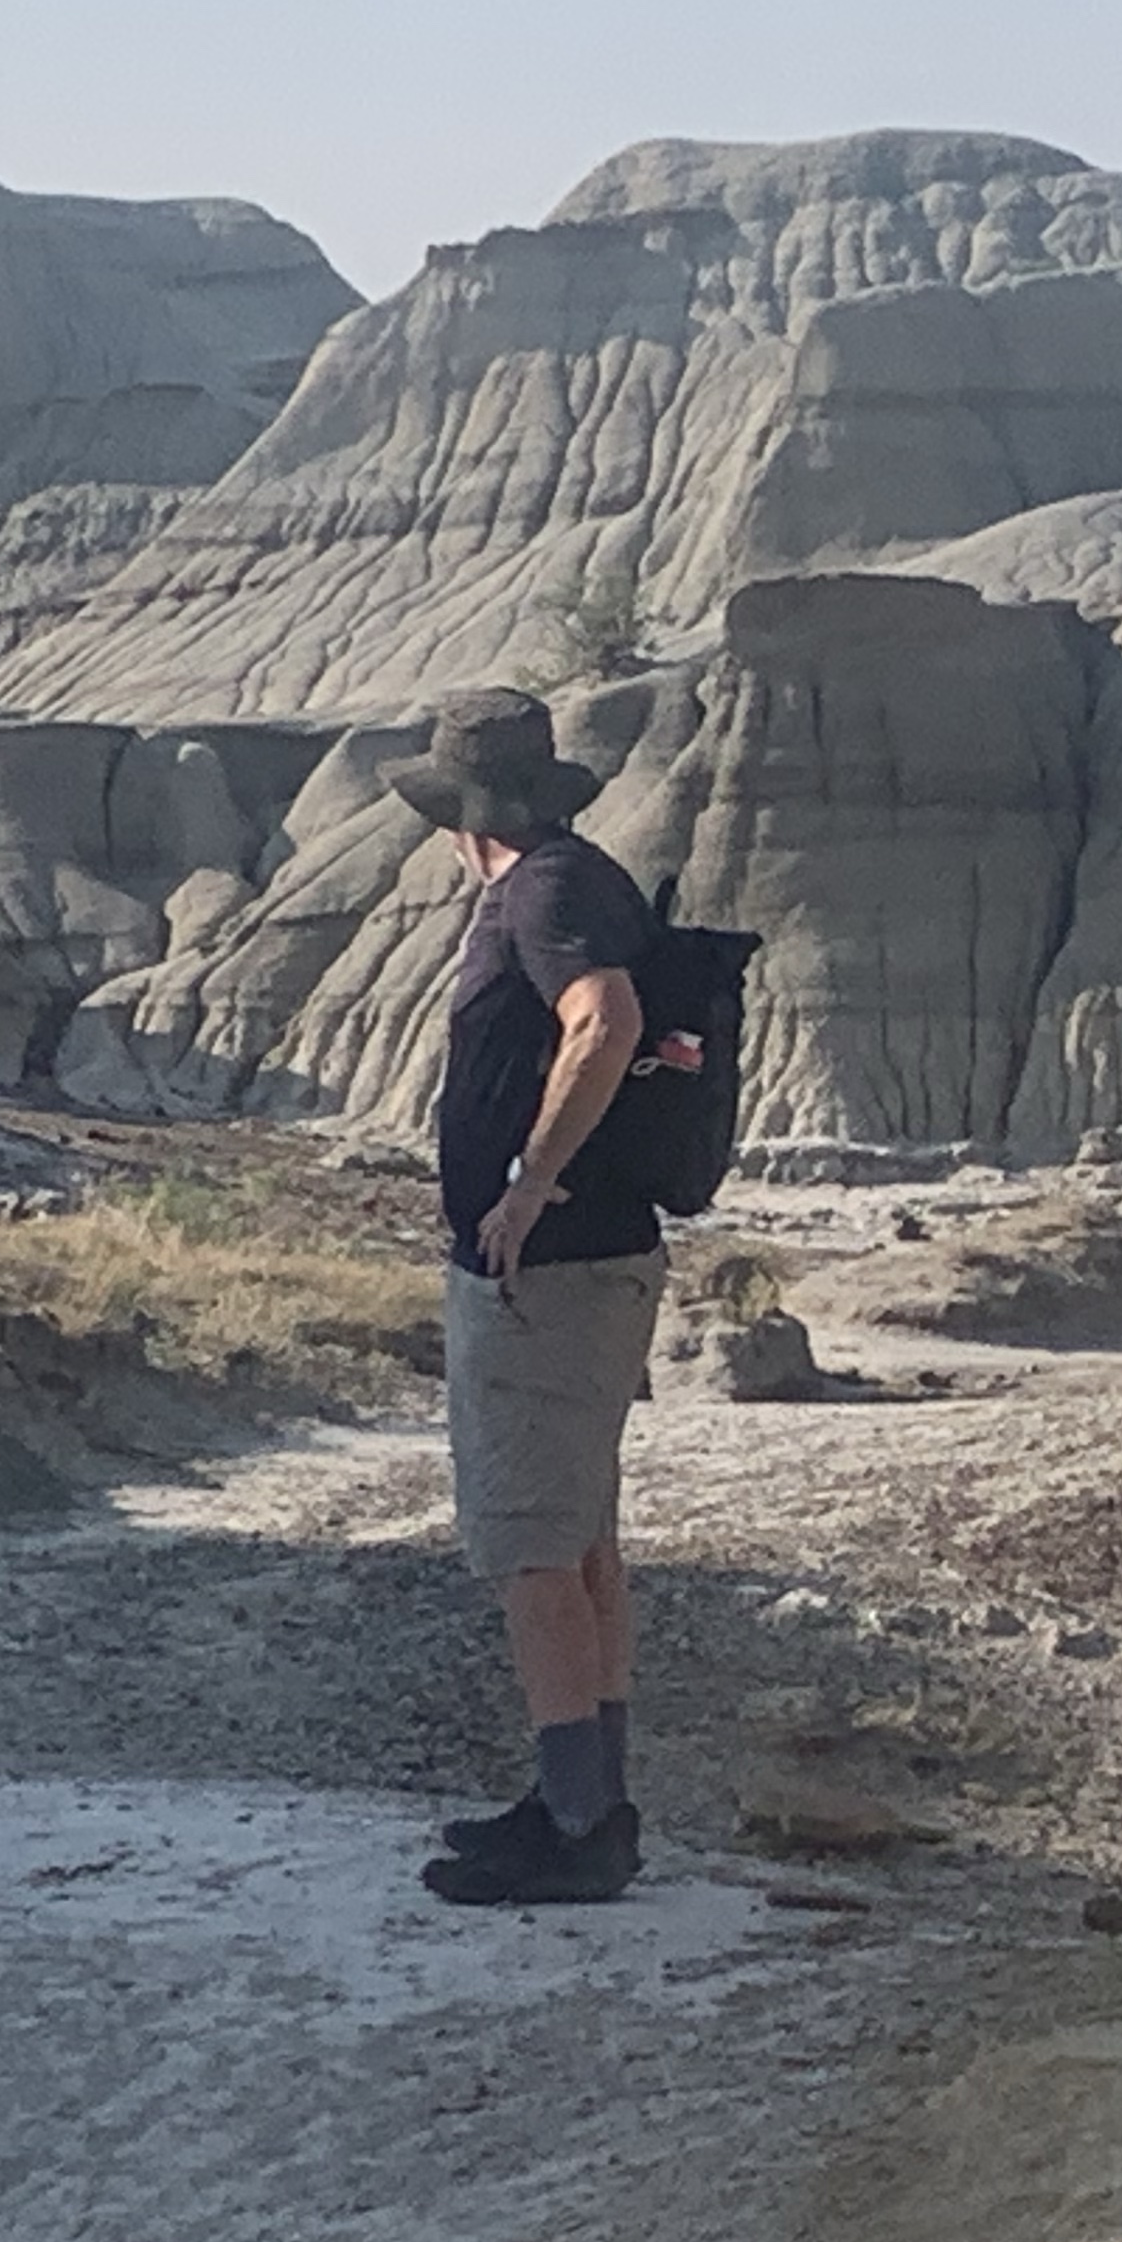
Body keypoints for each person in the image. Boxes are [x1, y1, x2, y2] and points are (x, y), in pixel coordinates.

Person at [384, 687, 665, 1906]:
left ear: (465, 816)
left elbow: (604, 1023)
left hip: (546, 1279)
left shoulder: (542, 894)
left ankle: (579, 1828)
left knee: (532, 1555)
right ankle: (587, 1803)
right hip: (595, 1267)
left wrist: (527, 1187)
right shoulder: (586, 880)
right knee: (582, 1542)